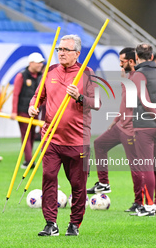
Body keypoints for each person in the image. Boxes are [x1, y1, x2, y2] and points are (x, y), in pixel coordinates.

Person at [28, 34, 100, 236]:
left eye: (66, 50)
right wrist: (32, 107)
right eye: (59, 49)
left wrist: (79, 97)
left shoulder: (87, 73)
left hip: (78, 141)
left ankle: (74, 224)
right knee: (48, 177)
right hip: (51, 138)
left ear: (77, 53)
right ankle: (51, 223)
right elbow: (38, 95)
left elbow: (97, 103)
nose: (61, 53)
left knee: (78, 185)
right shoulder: (50, 70)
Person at [87, 47, 142, 212]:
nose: (119, 64)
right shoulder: (128, 78)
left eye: (122, 61)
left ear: (131, 61)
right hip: (120, 126)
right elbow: (125, 103)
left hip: (132, 130)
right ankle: (104, 183)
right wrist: (116, 119)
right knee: (99, 144)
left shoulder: (139, 79)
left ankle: (140, 202)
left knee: (136, 167)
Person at [130, 43, 156, 216]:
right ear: (152, 57)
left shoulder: (137, 76)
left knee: (146, 167)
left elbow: (145, 101)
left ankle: (148, 207)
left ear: (137, 58)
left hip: (144, 126)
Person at [11, 52, 45, 169]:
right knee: (25, 135)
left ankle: (27, 161)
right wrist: (14, 111)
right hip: (23, 111)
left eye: (41, 62)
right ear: (31, 63)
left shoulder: (41, 76)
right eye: (38, 62)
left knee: (31, 136)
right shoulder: (22, 76)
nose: (41, 65)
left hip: (35, 112)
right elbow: (15, 94)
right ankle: (29, 160)